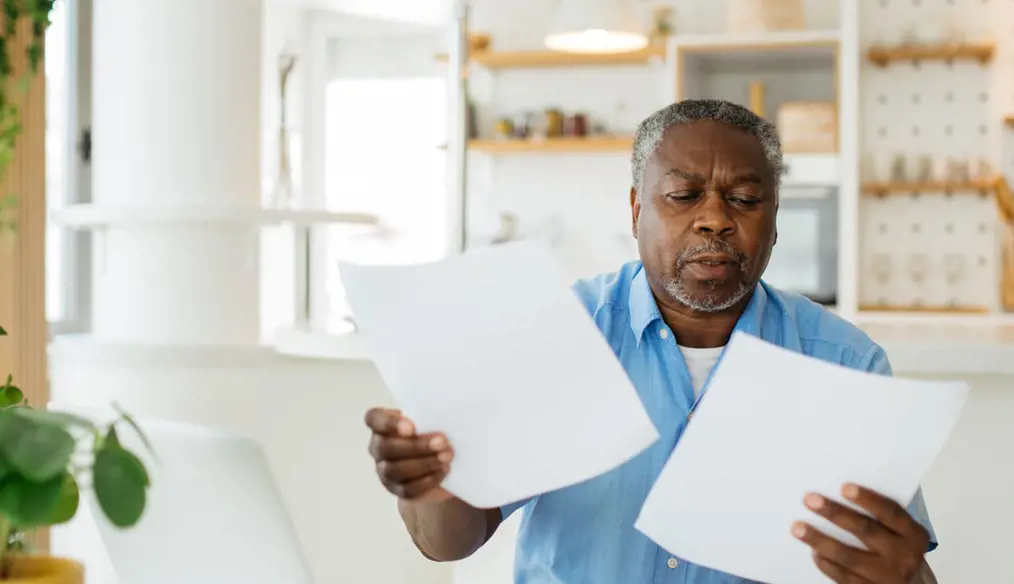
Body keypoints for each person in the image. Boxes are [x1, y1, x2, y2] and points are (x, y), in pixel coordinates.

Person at [364, 99, 939, 584]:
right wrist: (429, 486)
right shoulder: (557, 334)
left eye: (743, 199)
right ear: (637, 208)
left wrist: (904, 577)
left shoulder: (844, 364)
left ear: (775, 218)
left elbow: (898, 567)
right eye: (684, 195)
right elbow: (449, 543)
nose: (715, 218)